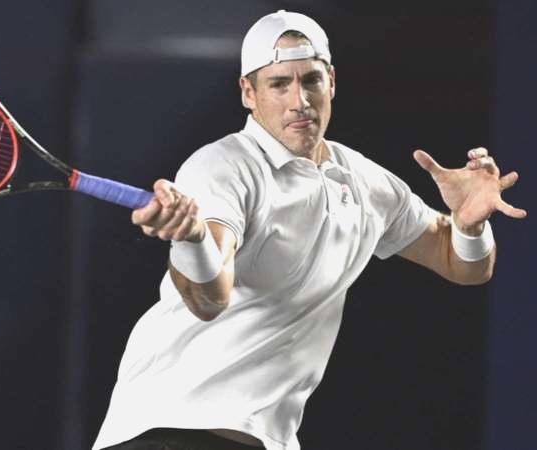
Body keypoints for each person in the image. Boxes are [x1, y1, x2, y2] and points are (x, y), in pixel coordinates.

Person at [92, 10, 526, 450]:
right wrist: (194, 239)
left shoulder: (366, 182)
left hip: (263, 439)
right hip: (169, 429)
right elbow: (210, 297)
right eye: (279, 84)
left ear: (331, 82)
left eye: (311, 80)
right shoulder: (222, 166)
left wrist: (469, 225)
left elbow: (462, 264)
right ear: (248, 92)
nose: (299, 100)